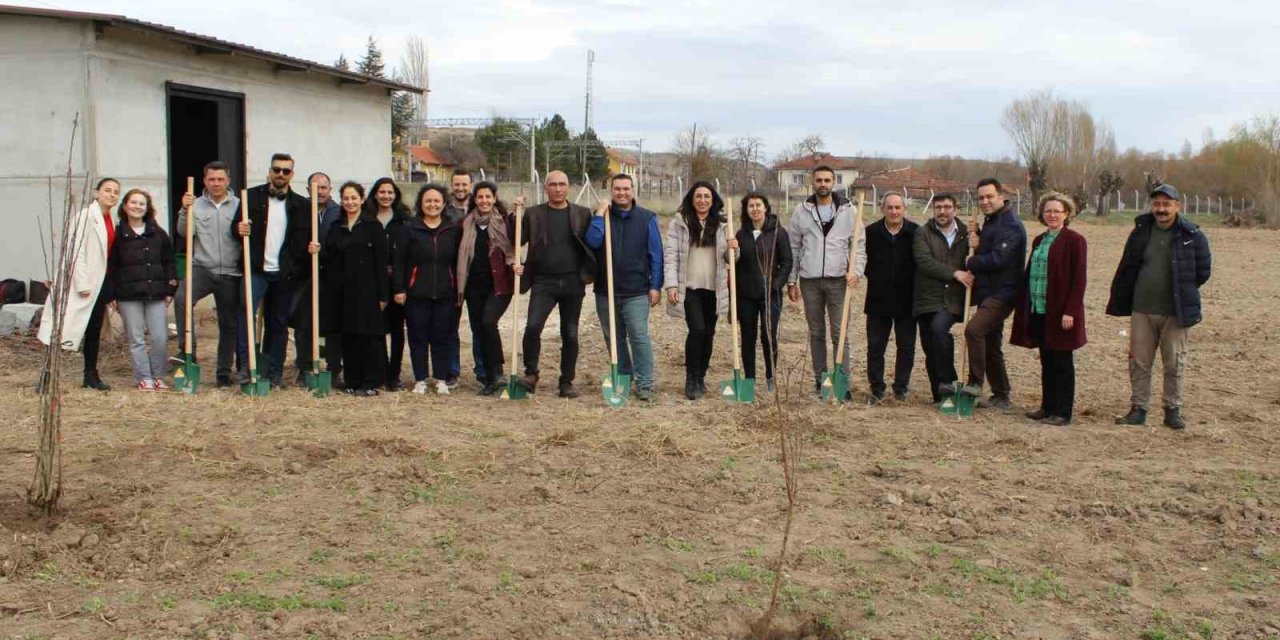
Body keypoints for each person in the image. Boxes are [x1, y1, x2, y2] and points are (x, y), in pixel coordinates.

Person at [1106, 184, 1212, 429]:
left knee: (1174, 362)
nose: (1161, 209)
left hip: (1176, 312)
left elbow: (1203, 272)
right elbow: (1128, 265)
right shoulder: (1141, 231)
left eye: (1166, 204)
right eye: (1157, 204)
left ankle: (1172, 410)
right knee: (1139, 362)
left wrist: (1181, 291)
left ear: (1177, 206)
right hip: (1142, 309)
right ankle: (1138, 409)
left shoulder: (1192, 235)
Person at [786, 165, 866, 398]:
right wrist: (792, 281)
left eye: (827, 180)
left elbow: (858, 245)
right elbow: (794, 247)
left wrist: (856, 271)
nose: (823, 184)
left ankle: (843, 383)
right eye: (819, 180)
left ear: (833, 183)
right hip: (810, 281)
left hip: (839, 281)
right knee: (817, 332)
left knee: (840, 333)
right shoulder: (801, 211)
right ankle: (821, 381)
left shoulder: (848, 211)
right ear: (813, 182)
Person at [514, 170, 595, 398]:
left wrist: (601, 215)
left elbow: (593, 242)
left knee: (570, 334)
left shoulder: (582, 214)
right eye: (553, 185)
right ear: (545, 188)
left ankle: (566, 382)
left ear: (569, 187)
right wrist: (515, 214)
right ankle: (531, 374)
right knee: (532, 328)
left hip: (572, 282)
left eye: (562, 184)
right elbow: (516, 239)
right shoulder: (533, 214)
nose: (558, 189)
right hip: (543, 281)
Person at [1010, 193, 1088, 426]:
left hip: (1061, 312)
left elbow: (1079, 279)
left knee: (1062, 361)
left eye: (1057, 211)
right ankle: (1047, 406)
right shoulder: (1039, 240)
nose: (1052, 215)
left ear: (1066, 214)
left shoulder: (1075, 241)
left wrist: (1071, 310)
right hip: (1039, 308)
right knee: (1047, 358)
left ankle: (1062, 412)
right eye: (1048, 211)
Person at [585, 173, 664, 401]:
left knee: (639, 336)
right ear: (611, 191)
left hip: (636, 290)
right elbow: (592, 241)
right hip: (606, 290)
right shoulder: (602, 217)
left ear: (633, 190)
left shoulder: (646, 218)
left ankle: (645, 383)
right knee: (614, 337)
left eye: (626, 189)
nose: (622, 193)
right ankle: (623, 376)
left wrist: (655, 285)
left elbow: (656, 255)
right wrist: (599, 215)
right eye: (617, 189)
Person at [37, 177, 119, 391]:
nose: (112, 195)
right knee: (61, 329)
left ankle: (90, 375)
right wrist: (83, 284)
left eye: (115, 192)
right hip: (80, 283)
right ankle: (46, 377)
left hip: (100, 283)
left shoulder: (110, 219)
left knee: (92, 330)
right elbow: (75, 251)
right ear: (96, 193)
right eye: (107, 190)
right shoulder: (85, 217)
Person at [235, 152, 309, 388]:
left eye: (285, 171)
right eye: (276, 169)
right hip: (256, 270)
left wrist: (298, 265)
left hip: (283, 274)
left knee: (278, 324)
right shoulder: (251, 198)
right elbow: (233, 231)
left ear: (291, 175)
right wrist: (239, 229)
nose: (280, 174)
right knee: (246, 318)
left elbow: (304, 241)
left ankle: (274, 372)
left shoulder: (301, 205)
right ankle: (247, 368)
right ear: (270, 172)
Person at [960, 177, 1027, 409]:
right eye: (981, 198)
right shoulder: (992, 220)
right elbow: (989, 248)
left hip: (1004, 292)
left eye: (989, 196)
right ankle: (1001, 394)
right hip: (989, 291)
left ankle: (975, 384)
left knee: (974, 330)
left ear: (1001, 196)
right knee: (990, 341)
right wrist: (977, 235)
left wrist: (971, 261)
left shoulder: (1011, 225)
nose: (985, 201)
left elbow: (999, 259)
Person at [174, 162, 242, 388]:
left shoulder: (240, 205)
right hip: (202, 268)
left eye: (220, 179)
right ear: (205, 181)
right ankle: (188, 353)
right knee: (182, 299)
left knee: (228, 323)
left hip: (231, 271)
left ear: (228, 181)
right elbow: (184, 233)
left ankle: (223, 372)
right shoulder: (196, 205)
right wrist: (184, 210)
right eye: (212, 179)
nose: (216, 183)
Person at [321, 182, 388, 397]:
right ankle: (353, 379)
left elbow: (381, 262)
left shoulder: (373, 226)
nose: (350, 202)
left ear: (361, 199)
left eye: (353, 198)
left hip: (368, 291)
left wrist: (382, 294)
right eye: (346, 198)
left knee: (368, 337)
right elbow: (329, 258)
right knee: (348, 337)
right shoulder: (336, 226)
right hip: (342, 292)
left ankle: (371, 381)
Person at [394, 184, 462, 395]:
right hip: (416, 294)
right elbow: (399, 262)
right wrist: (400, 288)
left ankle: (441, 379)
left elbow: (459, 263)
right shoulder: (409, 229)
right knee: (418, 337)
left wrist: (458, 291)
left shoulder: (453, 230)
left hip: (445, 294)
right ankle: (420, 379)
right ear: (421, 204)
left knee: (442, 337)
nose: (432, 205)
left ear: (444, 204)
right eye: (428, 201)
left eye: (436, 201)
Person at [665, 182, 730, 400]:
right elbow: (671, 255)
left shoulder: (722, 224)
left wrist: (735, 249)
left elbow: (731, 259)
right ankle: (691, 378)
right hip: (689, 287)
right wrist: (672, 284)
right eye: (698, 196)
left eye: (707, 196)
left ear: (713, 200)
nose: (702, 200)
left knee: (709, 333)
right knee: (697, 330)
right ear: (691, 200)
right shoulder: (680, 223)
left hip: (713, 288)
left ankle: (701, 375)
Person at [108, 189, 177, 390]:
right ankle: (143, 378)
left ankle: (158, 375)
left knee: (159, 337)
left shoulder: (158, 233)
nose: (137, 207)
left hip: (155, 294)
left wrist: (170, 289)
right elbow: (111, 266)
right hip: (127, 296)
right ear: (125, 206)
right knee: (136, 339)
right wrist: (111, 293)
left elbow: (169, 261)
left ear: (147, 208)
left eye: (142, 203)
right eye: (134, 202)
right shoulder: (117, 235)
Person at [725, 192, 792, 392]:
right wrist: (732, 250)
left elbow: (787, 261)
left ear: (765, 208)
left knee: (768, 335)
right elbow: (731, 261)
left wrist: (776, 284)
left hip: (770, 295)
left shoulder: (778, 232)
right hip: (746, 294)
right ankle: (749, 379)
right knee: (748, 336)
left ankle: (771, 377)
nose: (755, 209)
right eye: (751, 206)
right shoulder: (740, 234)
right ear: (746, 210)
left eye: (758, 205)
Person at [456, 181, 516, 396]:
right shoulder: (467, 224)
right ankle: (489, 378)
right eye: (480, 197)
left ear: (494, 198)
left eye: (488, 197)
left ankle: (498, 372)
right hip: (472, 286)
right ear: (475, 199)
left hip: (499, 285)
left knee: (488, 323)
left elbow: (518, 239)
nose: (484, 201)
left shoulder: (505, 222)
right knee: (479, 329)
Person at [912, 195, 970, 404]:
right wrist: (955, 273)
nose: (943, 211)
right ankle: (939, 395)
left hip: (952, 299)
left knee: (938, 330)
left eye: (947, 207)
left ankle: (949, 383)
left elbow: (976, 259)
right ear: (933, 210)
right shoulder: (923, 233)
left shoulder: (967, 234)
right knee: (930, 346)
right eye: (938, 207)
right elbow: (924, 261)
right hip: (926, 298)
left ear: (955, 209)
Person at [863, 191, 919, 403]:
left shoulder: (916, 233)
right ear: (882, 209)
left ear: (904, 209)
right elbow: (862, 260)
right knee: (875, 346)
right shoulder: (871, 233)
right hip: (878, 299)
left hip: (907, 300)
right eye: (890, 207)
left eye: (898, 207)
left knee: (906, 346)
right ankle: (877, 387)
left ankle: (901, 387)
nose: (894, 211)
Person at [366, 177, 411, 391]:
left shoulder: (404, 220)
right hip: (373, 283)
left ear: (395, 195)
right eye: (382, 192)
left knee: (397, 330)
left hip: (398, 284)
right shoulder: (367, 218)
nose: (386, 196)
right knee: (377, 330)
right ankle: (380, 371)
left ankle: (394, 375)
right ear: (375, 194)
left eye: (390, 192)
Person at [444, 168, 483, 383]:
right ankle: (452, 370)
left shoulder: (480, 209)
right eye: (456, 184)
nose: (460, 188)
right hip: (452, 277)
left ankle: (483, 371)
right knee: (450, 326)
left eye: (464, 185)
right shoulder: (443, 210)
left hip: (476, 278)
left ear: (471, 185)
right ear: (452, 186)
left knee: (479, 326)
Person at [307, 172, 344, 387]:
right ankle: (306, 364)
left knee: (332, 325)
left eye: (323, 188)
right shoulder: (302, 210)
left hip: (331, 277)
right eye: (315, 187)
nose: (319, 192)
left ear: (330, 190)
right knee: (306, 323)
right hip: (307, 276)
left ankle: (333, 368)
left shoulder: (338, 213)